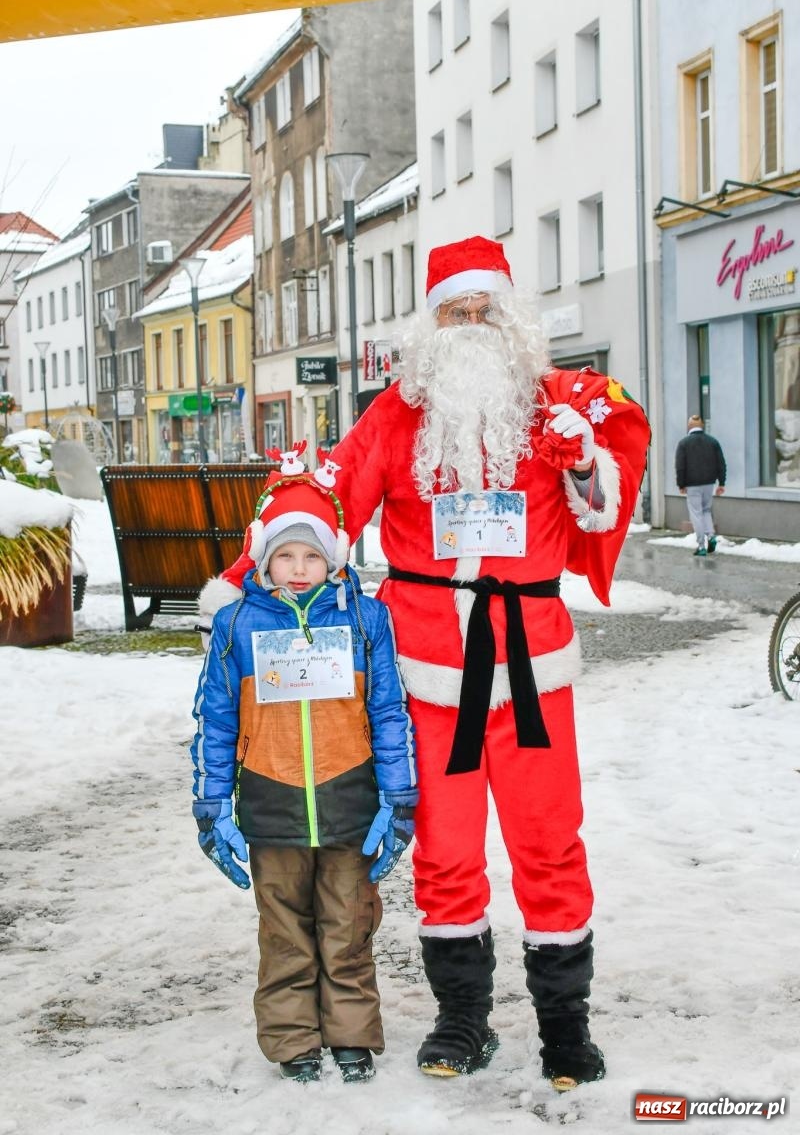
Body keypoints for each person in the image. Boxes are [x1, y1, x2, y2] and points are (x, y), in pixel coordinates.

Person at [201, 235, 650, 1092]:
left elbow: (600, 512)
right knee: (444, 851)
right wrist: (240, 589)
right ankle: (462, 1018)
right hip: (426, 672)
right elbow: (323, 506)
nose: (472, 323)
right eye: (455, 310)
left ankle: (565, 1026)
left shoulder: (557, 407)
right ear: (430, 323)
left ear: (511, 318)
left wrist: (584, 460)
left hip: (531, 666)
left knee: (550, 842)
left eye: (486, 309)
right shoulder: (396, 415)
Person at [191, 461, 418, 1085]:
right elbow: (215, 718)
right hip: (271, 800)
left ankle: (351, 1034)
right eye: (284, 555)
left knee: (349, 924)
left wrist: (399, 795)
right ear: (263, 560)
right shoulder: (237, 624)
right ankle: (293, 1038)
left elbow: (389, 709)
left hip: (350, 798)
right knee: (285, 930)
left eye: (311, 555)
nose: (297, 567)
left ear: (333, 559)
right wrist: (212, 804)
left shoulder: (364, 620)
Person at [675, 415, 726, 557]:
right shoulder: (713, 442)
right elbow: (721, 463)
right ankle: (711, 536)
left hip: (692, 485)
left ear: (689, 426)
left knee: (696, 513)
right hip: (709, 483)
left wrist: (681, 484)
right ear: (702, 425)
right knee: (706, 510)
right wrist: (721, 483)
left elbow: (680, 466)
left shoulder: (684, 443)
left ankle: (701, 545)